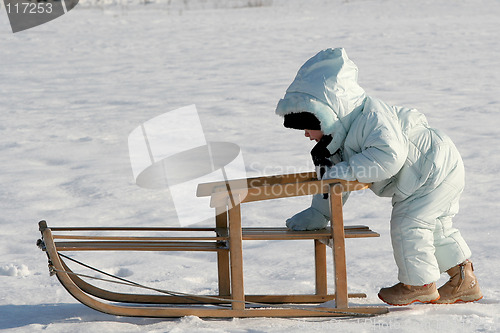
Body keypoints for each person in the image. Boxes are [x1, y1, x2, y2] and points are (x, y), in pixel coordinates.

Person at [275, 48, 482, 306]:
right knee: (436, 226)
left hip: (431, 166)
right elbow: (335, 184)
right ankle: (464, 280)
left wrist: (348, 170)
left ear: (329, 116)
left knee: (409, 223)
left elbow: (390, 156)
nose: (306, 134)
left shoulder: (370, 117)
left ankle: (419, 284)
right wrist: (319, 214)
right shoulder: (337, 139)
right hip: (435, 167)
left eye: (308, 125)